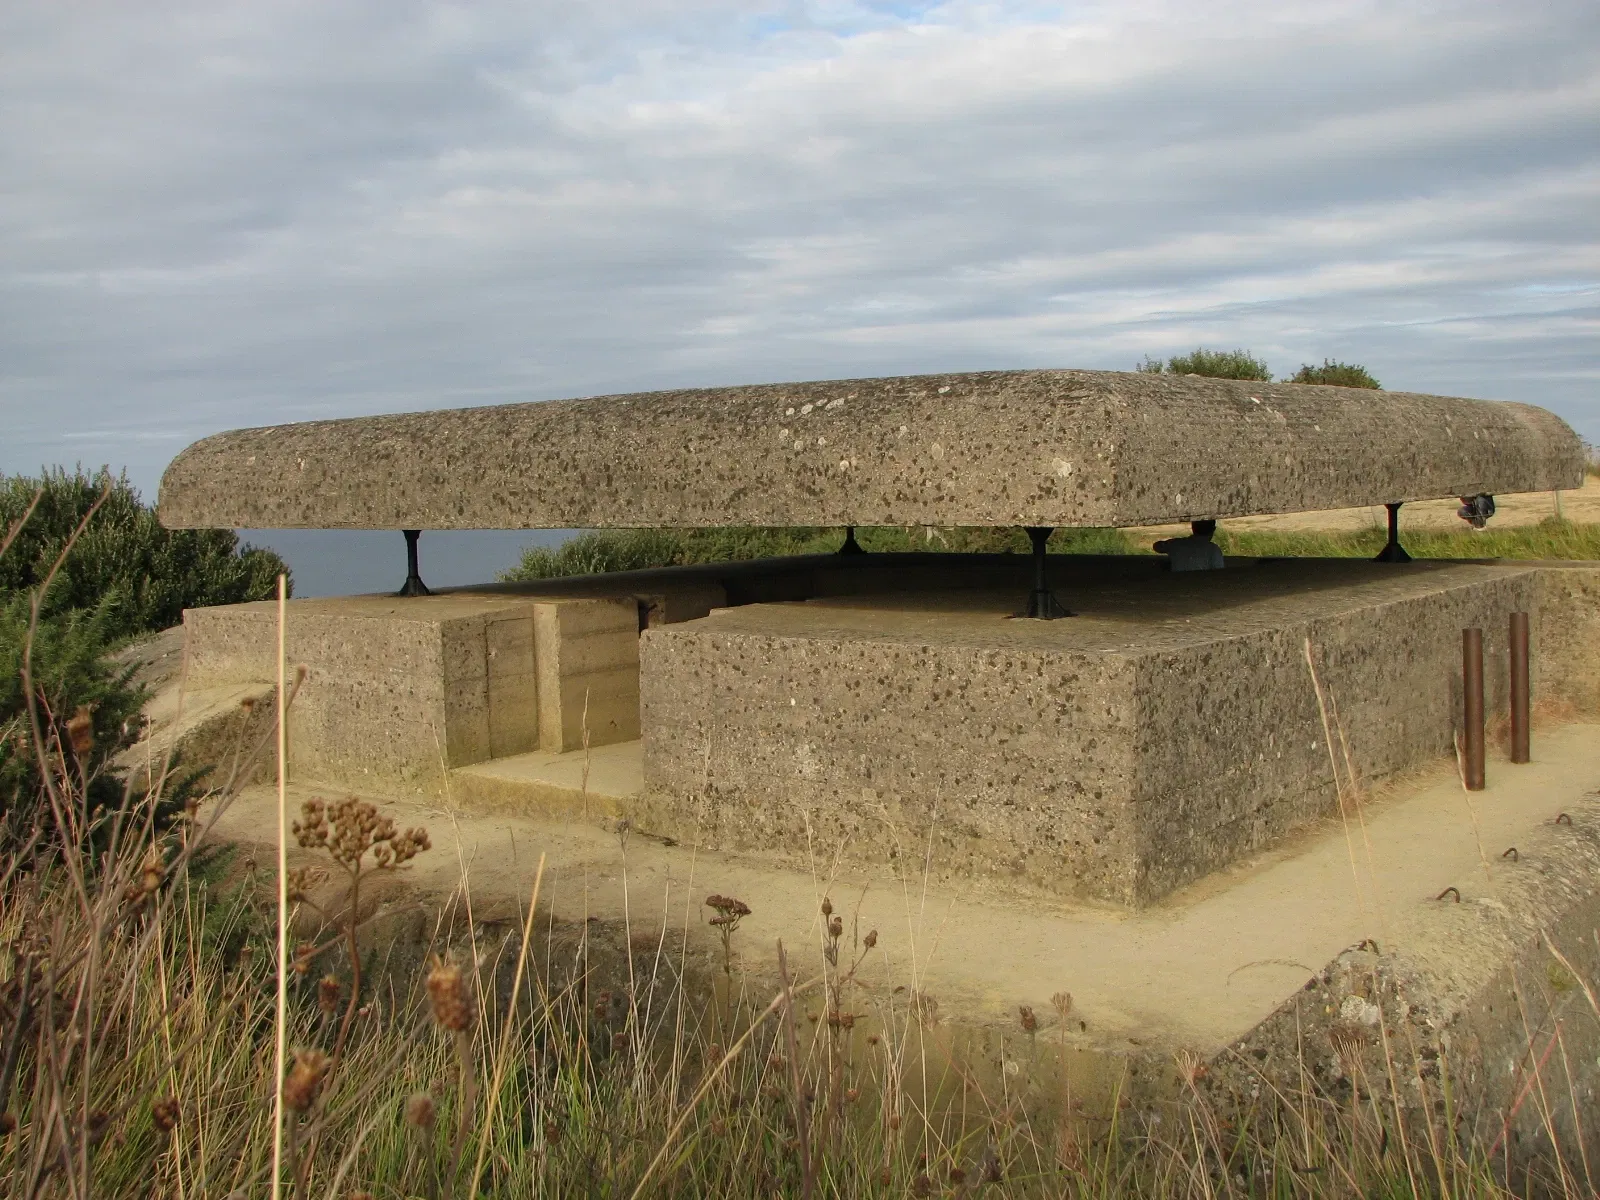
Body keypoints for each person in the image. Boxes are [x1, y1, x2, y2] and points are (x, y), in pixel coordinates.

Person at [1153, 519, 1225, 572]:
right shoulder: (1214, 550)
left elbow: (1157, 546)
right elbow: (1218, 574)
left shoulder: (1176, 544)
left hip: (1177, 586)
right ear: (1213, 530)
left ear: (1192, 527)